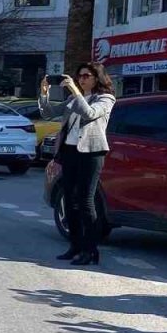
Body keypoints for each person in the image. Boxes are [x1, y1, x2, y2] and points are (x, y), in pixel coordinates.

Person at [40, 63, 116, 266]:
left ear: (96, 78)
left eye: (86, 76)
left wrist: (74, 90)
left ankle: (90, 250)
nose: (82, 79)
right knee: (69, 200)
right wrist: (44, 93)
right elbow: (49, 113)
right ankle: (75, 245)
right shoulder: (74, 98)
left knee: (85, 201)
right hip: (70, 152)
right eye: (79, 76)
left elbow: (90, 114)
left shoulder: (105, 99)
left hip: (91, 153)